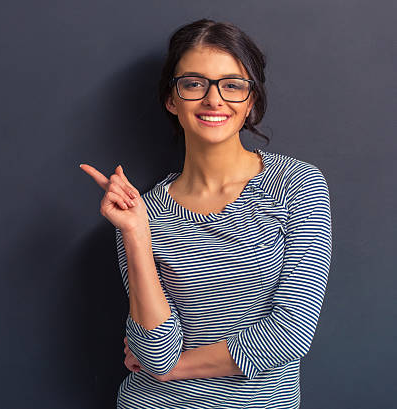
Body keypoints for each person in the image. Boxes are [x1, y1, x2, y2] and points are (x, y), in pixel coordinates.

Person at [79, 18, 332, 409]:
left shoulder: (296, 185)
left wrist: (170, 369)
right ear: (172, 98)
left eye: (231, 85)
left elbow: (291, 333)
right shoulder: (140, 213)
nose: (214, 100)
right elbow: (156, 351)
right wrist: (135, 233)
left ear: (250, 101)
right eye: (194, 84)